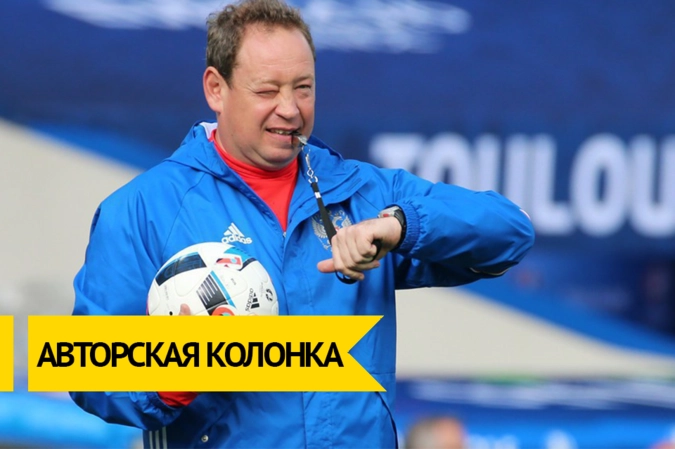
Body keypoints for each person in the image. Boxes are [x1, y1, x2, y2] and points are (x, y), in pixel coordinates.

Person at [69, 0, 535, 447]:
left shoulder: (361, 193)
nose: (290, 109)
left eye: (303, 88)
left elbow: (510, 230)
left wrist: (400, 225)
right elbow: (87, 372)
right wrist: (180, 372)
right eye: (267, 90)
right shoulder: (143, 209)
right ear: (216, 89)